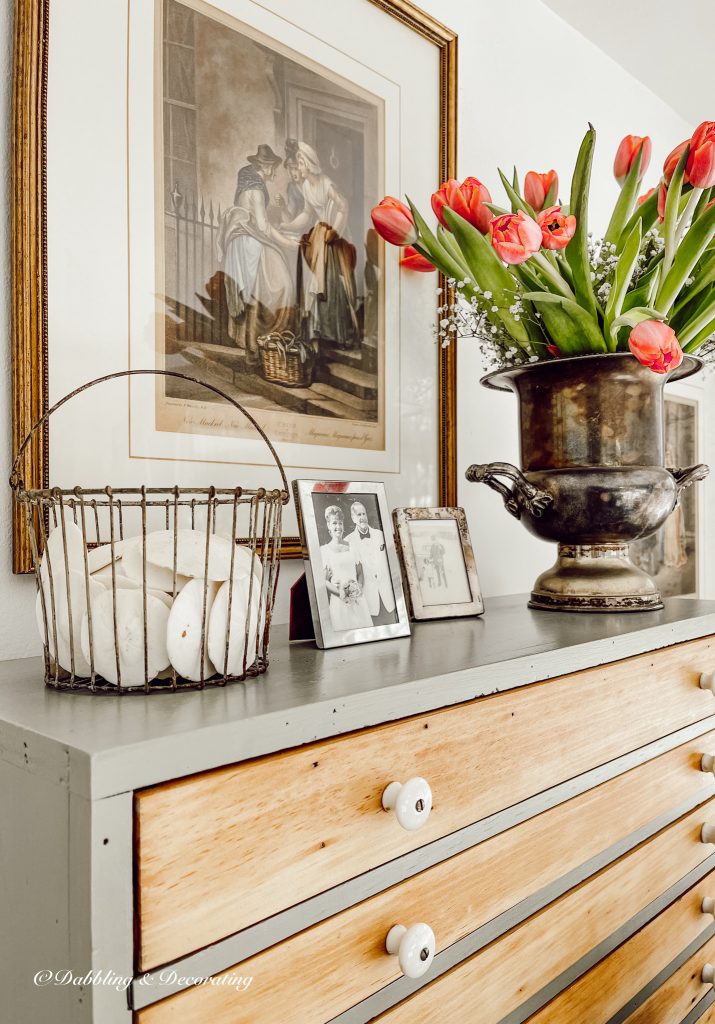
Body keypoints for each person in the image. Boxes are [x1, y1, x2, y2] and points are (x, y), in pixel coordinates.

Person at [216, 144, 297, 363]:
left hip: (239, 244)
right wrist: (288, 244)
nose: (275, 173)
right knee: (280, 286)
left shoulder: (245, 187)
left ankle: (253, 346)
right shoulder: (258, 190)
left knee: (252, 293)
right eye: (274, 168)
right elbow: (262, 227)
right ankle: (265, 342)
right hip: (251, 244)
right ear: (266, 166)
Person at [280, 140, 359, 349]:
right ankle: (318, 331)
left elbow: (344, 206)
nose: (299, 170)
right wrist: (287, 225)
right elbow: (307, 214)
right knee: (314, 282)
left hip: (333, 237)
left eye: (301, 165)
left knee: (331, 283)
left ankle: (338, 334)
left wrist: (334, 232)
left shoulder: (327, 184)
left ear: (308, 163)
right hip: (319, 235)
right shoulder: (306, 186)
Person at [320, 506, 372, 632]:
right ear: (328, 525)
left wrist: (357, 589)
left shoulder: (353, 547)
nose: (338, 526)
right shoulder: (324, 550)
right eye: (334, 523)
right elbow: (324, 581)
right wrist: (342, 594)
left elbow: (360, 573)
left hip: (358, 599)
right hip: (339, 601)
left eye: (340, 523)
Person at [345, 501, 397, 626]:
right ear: (353, 518)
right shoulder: (348, 541)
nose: (362, 517)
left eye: (363, 513)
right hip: (368, 597)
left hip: (388, 595)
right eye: (358, 515)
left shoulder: (381, 535)